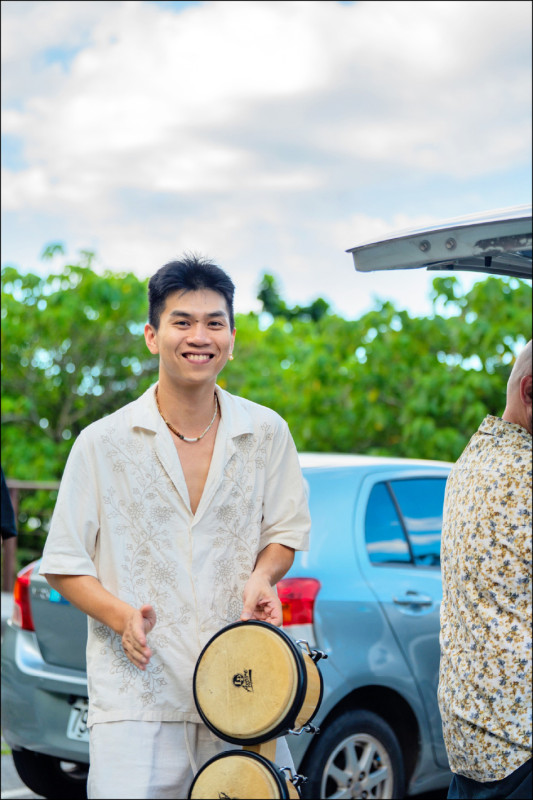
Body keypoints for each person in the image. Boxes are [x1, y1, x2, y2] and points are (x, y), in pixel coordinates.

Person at [39, 254, 311, 799]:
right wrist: (120, 616)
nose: (199, 336)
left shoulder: (266, 432)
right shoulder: (101, 443)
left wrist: (263, 577)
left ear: (231, 337)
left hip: (243, 688)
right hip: (136, 697)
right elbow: (64, 564)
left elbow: (286, 529)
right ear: (151, 335)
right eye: (181, 321)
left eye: (214, 322)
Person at [438, 339, 532, 800]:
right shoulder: (524, 475)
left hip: (472, 737)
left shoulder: (473, 458)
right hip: (521, 741)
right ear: (530, 391)